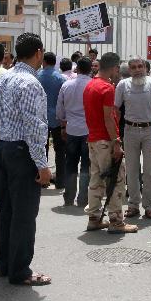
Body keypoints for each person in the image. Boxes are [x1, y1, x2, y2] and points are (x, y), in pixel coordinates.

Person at [0, 32, 52, 285]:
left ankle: (6, 265)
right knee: (24, 216)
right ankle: (20, 271)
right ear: (38, 52)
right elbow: (34, 126)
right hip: (21, 152)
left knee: (6, 211)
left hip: (3, 148)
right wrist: (42, 164)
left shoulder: (4, 78)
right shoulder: (30, 83)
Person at [83, 52, 138, 234]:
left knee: (96, 179)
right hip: (105, 141)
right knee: (116, 180)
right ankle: (116, 221)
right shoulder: (107, 88)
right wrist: (116, 142)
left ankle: (94, 218)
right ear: (114, 68)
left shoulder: (90, 85)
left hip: (93, 139)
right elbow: (108, 118)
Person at [115, 56, 151, 219]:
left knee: (150, 170)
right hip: (130, 130)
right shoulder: (123, 85)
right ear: (129, 70)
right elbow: (116, 109)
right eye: (133, 67)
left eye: (140, 66)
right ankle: (133, 204)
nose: (137, 70)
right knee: (132, 170)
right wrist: (116, 134)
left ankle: (149, 205)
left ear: (146, 68)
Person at [56, 57, 92, 206]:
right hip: (89, 131)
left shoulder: (66, 85)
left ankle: (69, 197)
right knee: (85, 165)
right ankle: (83, 198)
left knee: (70, 163)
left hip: (71, 129)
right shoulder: (93, 85)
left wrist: (63, 126)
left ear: (76, 69)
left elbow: (60, 110)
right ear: (90, 69)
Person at [37, 52, 67, 190]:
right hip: (57, 118)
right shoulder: (60, 78)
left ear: (44, 61)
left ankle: (42, 179)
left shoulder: (37, 76)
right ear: (55, 63)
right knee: (60, 150)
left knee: (42, 149)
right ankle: (61, 180)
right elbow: (64, 100)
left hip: (40, 118)